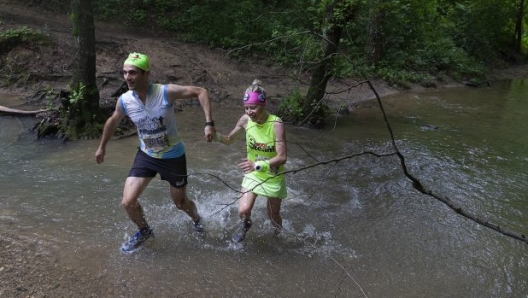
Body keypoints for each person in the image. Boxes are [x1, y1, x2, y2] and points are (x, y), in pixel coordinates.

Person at [95, 52, 216, 253]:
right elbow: (113, 121)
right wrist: (102, 147)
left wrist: (209, 124)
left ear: (146, 73)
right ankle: (144, 231)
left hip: (173, 156)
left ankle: (197, 219)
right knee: (128, 201)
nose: (127, 78)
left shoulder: (165, 92)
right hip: (147, 155)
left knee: (180, 203)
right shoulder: (125, 100)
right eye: (124, 73)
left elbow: (200, 91)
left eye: (132, 73)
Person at [214, 79, 287, 242]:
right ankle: (246, 224)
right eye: (246, 108)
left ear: (263, 105)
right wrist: (215, 136)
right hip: (253, 173)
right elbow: (229, 140)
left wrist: (257, 165)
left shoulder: (276, 123)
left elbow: (282, 157)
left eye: (253, 107)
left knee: (273, 215)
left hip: (272, 175)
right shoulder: (245, 120)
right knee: (243, 210)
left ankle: (279, 236)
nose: (249, 112)